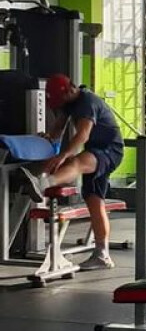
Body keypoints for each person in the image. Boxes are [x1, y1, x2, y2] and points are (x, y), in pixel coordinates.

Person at [19, 74, 124, 270]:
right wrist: (47, 137)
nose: (60, 106)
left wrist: (63, 155)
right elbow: (58, 129)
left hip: (110, 150)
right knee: (94, 201)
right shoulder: (69, 103)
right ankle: (102, 255)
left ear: (69, 90)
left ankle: (42, 184)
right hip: (95, 150)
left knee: (76, 161)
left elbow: (83, 135)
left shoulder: (87, 102)